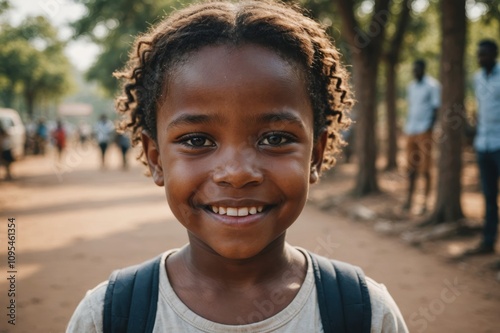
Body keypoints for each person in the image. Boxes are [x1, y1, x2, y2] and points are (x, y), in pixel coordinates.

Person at [67, 1, 408, 332]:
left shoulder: (364, 313)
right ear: (156, 159)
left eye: (274, 139)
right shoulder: (109, 316)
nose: (237, 172)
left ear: (315, 157)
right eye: (197, 140)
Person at [465, 40, 500, 255]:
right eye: (479, 54)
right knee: (488, 195)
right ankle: (488, 242)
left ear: (494, 54)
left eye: (485, 54)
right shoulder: (477, 78)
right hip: (483, 144)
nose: (481, 58)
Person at [402, 60, 440, 215]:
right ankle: (409, 200)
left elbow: (436, 108)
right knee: (411, 167)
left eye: (418, 69)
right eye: (414, 69)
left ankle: (425, 202)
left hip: (425, 130)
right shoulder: (411, 87)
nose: (415, 72)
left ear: (424, 69)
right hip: (411, 129)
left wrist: (430, 128)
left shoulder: (432, 86)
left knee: (425, 167)